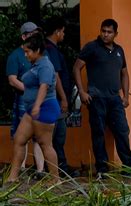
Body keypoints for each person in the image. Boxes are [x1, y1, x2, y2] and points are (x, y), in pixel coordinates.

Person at [72, 18, 131, 178]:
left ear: (116, 34)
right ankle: (102, 169)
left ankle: (129, 167)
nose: (105, 35)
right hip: (96, 98)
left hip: (115, 99)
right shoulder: (91, 48)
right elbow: (76, 68)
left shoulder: (119, 50)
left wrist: (126, 96)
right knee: (98, 133)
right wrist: (82, 91)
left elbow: (124, 73)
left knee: (122, 131)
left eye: (109, 32)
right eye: (103, 31)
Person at [6, 32, 60, 183]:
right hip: (32, 110)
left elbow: (44, 86)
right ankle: (12, 178)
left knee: (45, 144)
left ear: (37, 51)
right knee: (19, 139)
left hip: (44, 109)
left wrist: (37, 105)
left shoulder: (45, 66)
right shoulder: (35, 65)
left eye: (27, 51)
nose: (25, 55)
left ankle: (55, 179)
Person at [6, 22, 45, 177]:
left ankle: (40, 170)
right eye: (32, 33)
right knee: (21, 134)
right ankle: (21, 169)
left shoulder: (42, 54)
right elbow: (12, 79)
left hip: (40, 99)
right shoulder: (15, 55)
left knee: (39, 135)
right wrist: (30, 90)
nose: (35, 36)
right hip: (23, 99)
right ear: (24, 36)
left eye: (37, 33)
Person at [44, 16, 80, 178]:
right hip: (56, 100)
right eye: (63, 32)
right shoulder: (50, 50)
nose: (64, 35)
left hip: (55, 99)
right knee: (57, 136)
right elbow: (56, 75)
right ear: (57, 32)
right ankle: (57, 168)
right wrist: (64, 98)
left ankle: (60, 166)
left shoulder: (51, 49)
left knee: (58, 136)